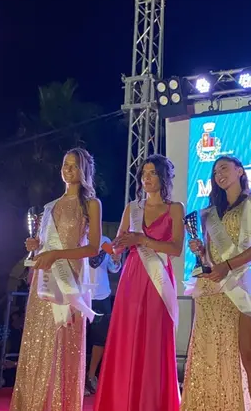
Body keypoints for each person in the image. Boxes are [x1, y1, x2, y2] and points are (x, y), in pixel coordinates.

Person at [180, 156, 251, 411]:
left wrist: (229, 265)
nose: (218, 174)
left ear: (240, 171)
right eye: (215, 172)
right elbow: (209, 257)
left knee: (249, 355)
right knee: (211, 356)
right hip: (212, 290)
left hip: (238, 286)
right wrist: (200, 251)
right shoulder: (209, 213)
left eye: (223, 168)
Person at [10, 148, 102, 411]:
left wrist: (56, 254)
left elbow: (93, 248)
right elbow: (44, 246)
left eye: (74, 165)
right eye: (65, 164)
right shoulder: (50, 206)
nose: (68, 170)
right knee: (38, 343)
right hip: (45, 281)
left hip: (69, 279)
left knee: (64, 344)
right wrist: (35, 246)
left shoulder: (91, 204)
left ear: (84, 170)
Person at [94, 154, 183, 411]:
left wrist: (142, 240)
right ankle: (123, 401)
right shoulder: (132, 208)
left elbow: (176, 248)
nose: (147, 177)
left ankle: (152, 402)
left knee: (154, 339)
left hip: (158, 279)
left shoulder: (175, 208)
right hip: (132, 277)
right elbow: (119, 246)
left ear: (164, 177)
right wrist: (110, 248)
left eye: (153, 172)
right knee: (127, 337)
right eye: (144, 173)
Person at [85, 235, 121, 395]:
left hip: (101, 295)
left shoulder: (105, 240)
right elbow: (91, 263)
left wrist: (116, 260)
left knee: (100, 338)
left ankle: (91, 376)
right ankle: (75, 376)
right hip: (80, 294)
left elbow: (113, 268)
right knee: (77, 337)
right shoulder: (76, 238)